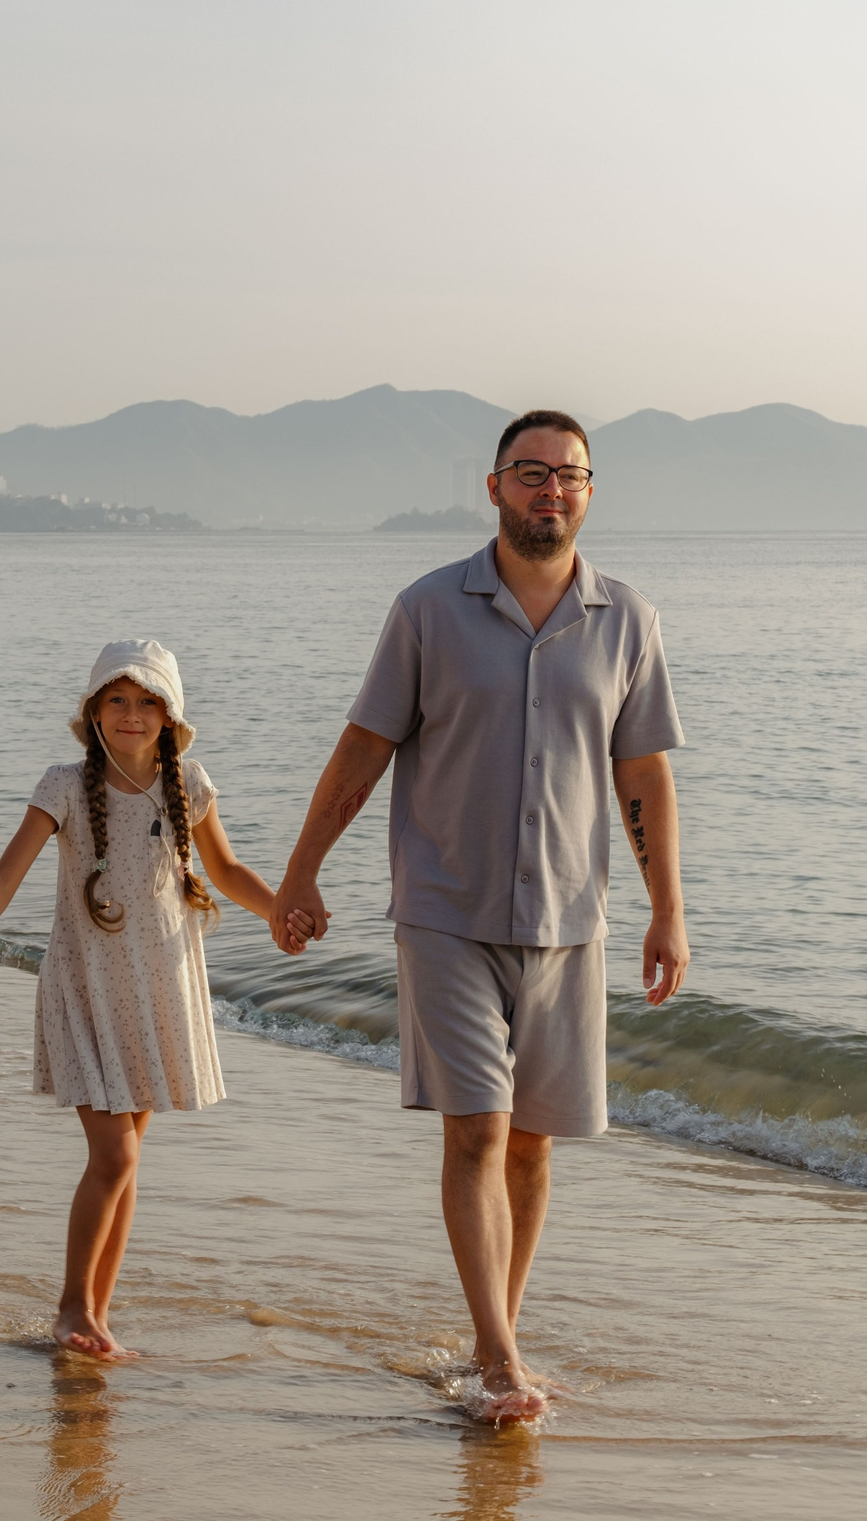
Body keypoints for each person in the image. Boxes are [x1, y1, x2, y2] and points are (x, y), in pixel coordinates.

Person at [271, 410, 688, 1423]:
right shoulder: (426, 610)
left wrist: (666, 909)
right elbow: (364, 748)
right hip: (445, 908)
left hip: (568, 915)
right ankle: (502, 1360)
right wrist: (300, 874)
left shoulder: (626, 618)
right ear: (493, 486)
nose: (551, 490)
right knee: (478, 1129)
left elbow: (642, 772)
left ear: (591, 492)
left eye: (570, 475)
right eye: (531, 472)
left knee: (533, 1142)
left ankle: (491, 1333)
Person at [0, 640, 290, 1359]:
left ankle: (97, 1314)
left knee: (127, 1158)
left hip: (158, 989)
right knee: (113, 1155)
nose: (132, 716)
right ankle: (72, 1305)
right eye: (117, 700)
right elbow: (6, 873)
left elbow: (227, 871)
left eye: (147, 703)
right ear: (92, 711)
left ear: (170, 717)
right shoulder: (65, 786)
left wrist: (281, 911)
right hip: (86, 989)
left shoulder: (190, 784)